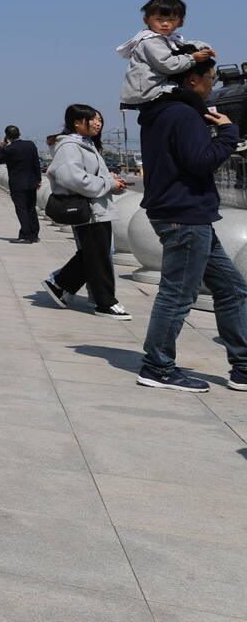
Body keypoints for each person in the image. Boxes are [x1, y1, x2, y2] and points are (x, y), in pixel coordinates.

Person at [134, 57, 247, 392]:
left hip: (184, 214)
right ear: (193, 79)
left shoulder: (158, 114)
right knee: (177, 295)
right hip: (184, 216)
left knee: (232, 289)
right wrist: (228, 134)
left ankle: (242, 366)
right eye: (211, 78)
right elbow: (200, 162)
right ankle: (157, 366)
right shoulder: (184, 115)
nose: (213, 85)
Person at [37, 106, 131, 319]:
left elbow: (87, 175)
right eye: (93, 119)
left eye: (100, 119)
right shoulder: (69, 146)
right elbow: (73, 178)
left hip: (96, 207)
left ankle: (60, 285)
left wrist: (112, 180)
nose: (98, 123)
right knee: (98, 255)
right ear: (77, 122)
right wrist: (109, 183)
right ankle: (105, 302)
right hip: (88, 208)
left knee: (94, 253)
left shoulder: (85, 144)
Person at [118, 0, 213, 109]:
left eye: (171, 20)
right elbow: (167, 65)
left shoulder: (168, 38)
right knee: (192, 97)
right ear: (146, 20)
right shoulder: (150, 41)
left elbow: (185, 44)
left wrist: (204, 48)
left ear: (180, 22)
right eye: (159, 19)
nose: (165, 24)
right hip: (148, 91)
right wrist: (193, 58)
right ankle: (207, 118)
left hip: (157, 88)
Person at [0, 124, 42, 242]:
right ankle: (34, 234)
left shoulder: (9, 149)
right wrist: (38, 179)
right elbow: (36, 163)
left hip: (17, 184)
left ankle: (25, 235)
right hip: (31, 182)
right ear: (19, 133)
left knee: (21, 209)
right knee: (31, 208)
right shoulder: (30, 145)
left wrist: (1, 146)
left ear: (7, 137)